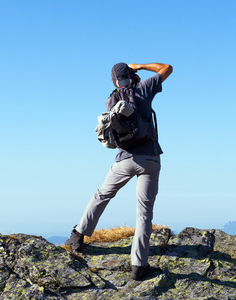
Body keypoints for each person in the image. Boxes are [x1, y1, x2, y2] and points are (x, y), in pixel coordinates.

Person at [65, 61, 173, 281]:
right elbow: (167, 68)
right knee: (144, 212)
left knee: (102, 195)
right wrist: (141, 66)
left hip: (124, 159)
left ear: (114, 81)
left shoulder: (110, 99)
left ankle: (78, 235)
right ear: (132, 75)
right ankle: (138, 267)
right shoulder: (144, 89)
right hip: (150, 158)